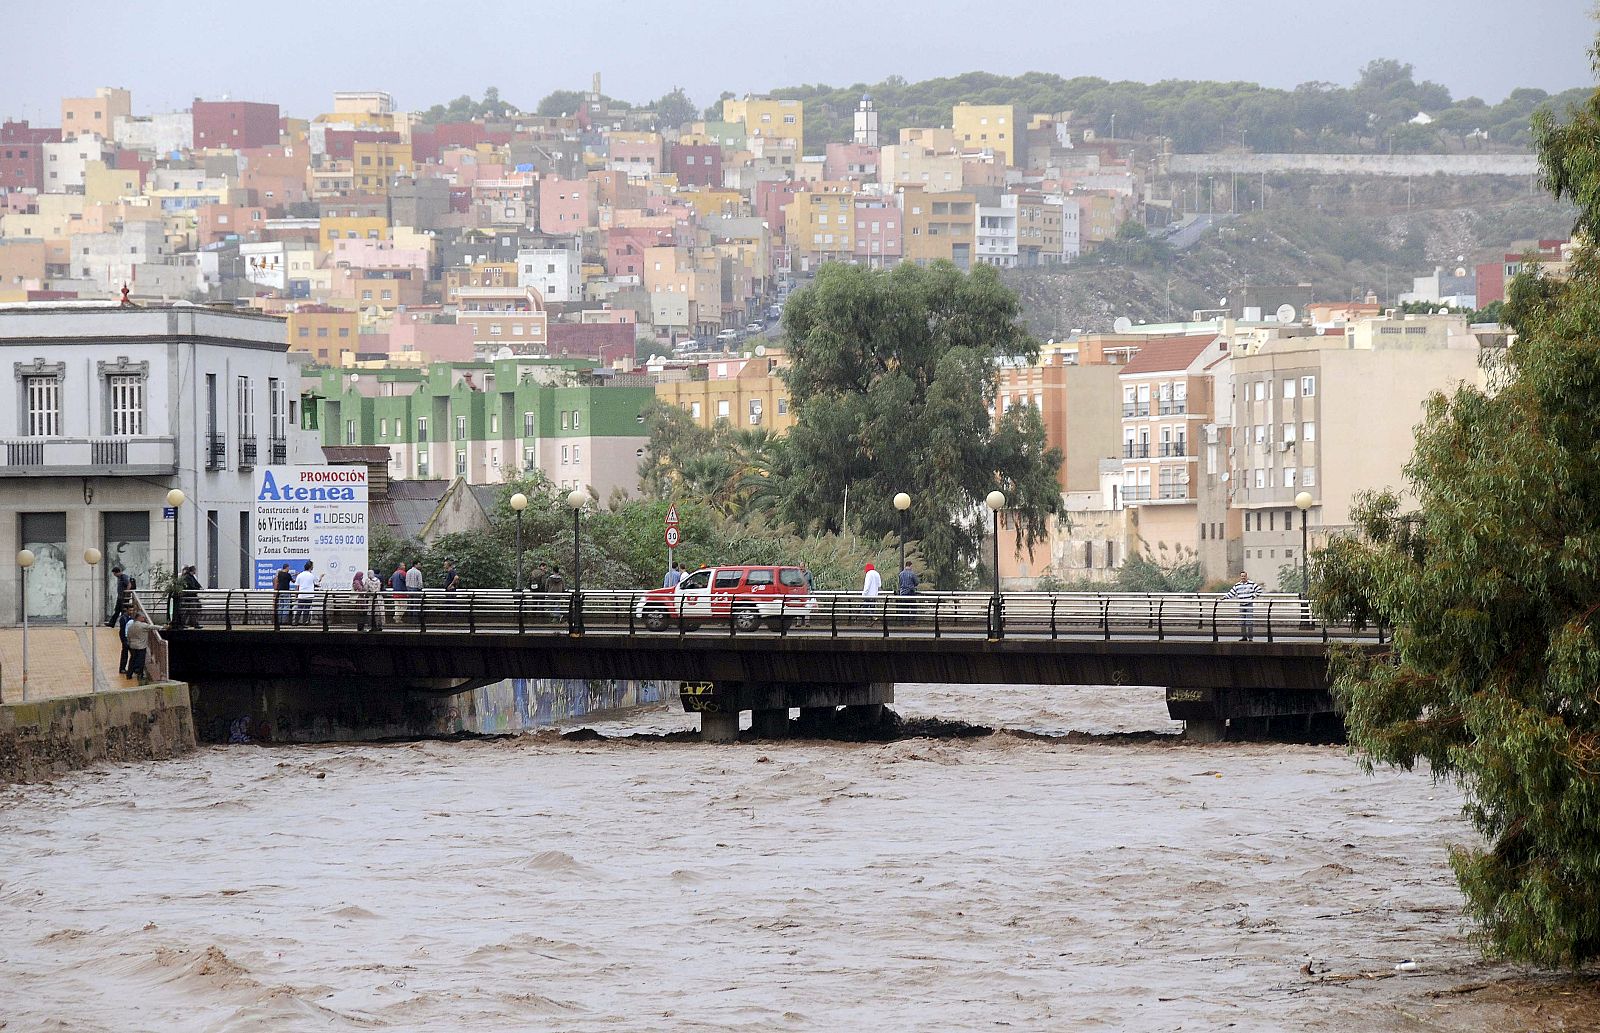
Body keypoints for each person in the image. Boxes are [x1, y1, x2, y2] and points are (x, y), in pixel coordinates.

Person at [1225, 571, 1263, 641]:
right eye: (1242, 576)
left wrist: (1253, 596)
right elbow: (1231, 593)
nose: (1243, 577)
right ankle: (1244, 637)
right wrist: (1224, 598)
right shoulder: (1237, 585)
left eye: (1244, 576)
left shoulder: (1251, 584)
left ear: (1246, 576)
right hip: (1241, 604)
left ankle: (1250, 637)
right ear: (1240, 577)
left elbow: (1259, 590)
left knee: (1249, 621)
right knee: (1242, 621)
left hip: (1249, 603)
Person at [124, 609, 158, 683]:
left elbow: (128, 636)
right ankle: (140, 674)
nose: (144, 619)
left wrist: (130, 643)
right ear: (138, 617)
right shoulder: (143, 625)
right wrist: (163, 627)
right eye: (143, 617)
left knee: (132, 660)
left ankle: (129, 674)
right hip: (141, 646)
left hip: (132, 645)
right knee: (141, 661)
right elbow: (152, 627)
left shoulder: (131, 626)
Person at [293, 561, 318, 625]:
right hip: (309, 594)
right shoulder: (312, 575)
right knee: (307, 609)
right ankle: (305, 622)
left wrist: (296, 594)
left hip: (301, 594)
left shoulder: (300, 575)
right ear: (310, 567)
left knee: (299, 608)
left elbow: (297, 586)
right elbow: (316, 583)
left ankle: (296, 621)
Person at [116, 601, 134, 677]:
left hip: (129, 637)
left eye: (132, 610)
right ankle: (122, 668)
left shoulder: (131, 617)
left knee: (128, 653)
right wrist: (124, 640)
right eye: (130, 610)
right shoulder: (123, 618)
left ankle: (125, 668)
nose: (131, 612)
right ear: (127, 610)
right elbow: (123, 630)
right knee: (125, 653)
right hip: (125, 638)